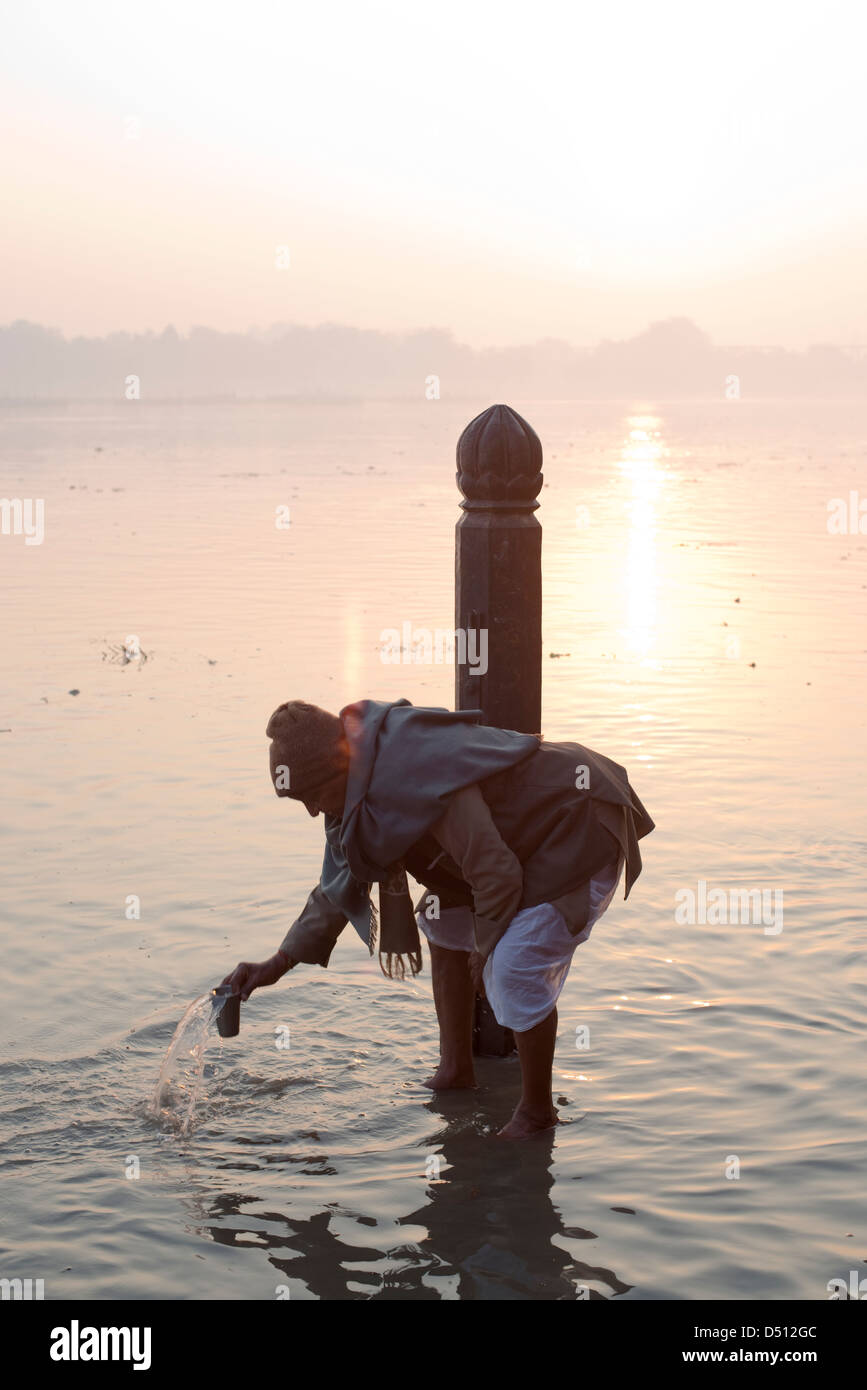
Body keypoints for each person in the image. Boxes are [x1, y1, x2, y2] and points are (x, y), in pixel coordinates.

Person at [222, 697, 654, 1139]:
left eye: (311, 796)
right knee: (441, 920)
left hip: (578, 822)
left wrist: (486, 949)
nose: (313, 811)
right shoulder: (354, 790)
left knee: (511, 968)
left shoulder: (414, 774)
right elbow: (336, 889)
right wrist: (275, 964)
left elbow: (495, 873)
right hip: (521, 843)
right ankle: (456, 1069)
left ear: (338, 768)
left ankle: (537, 1113)